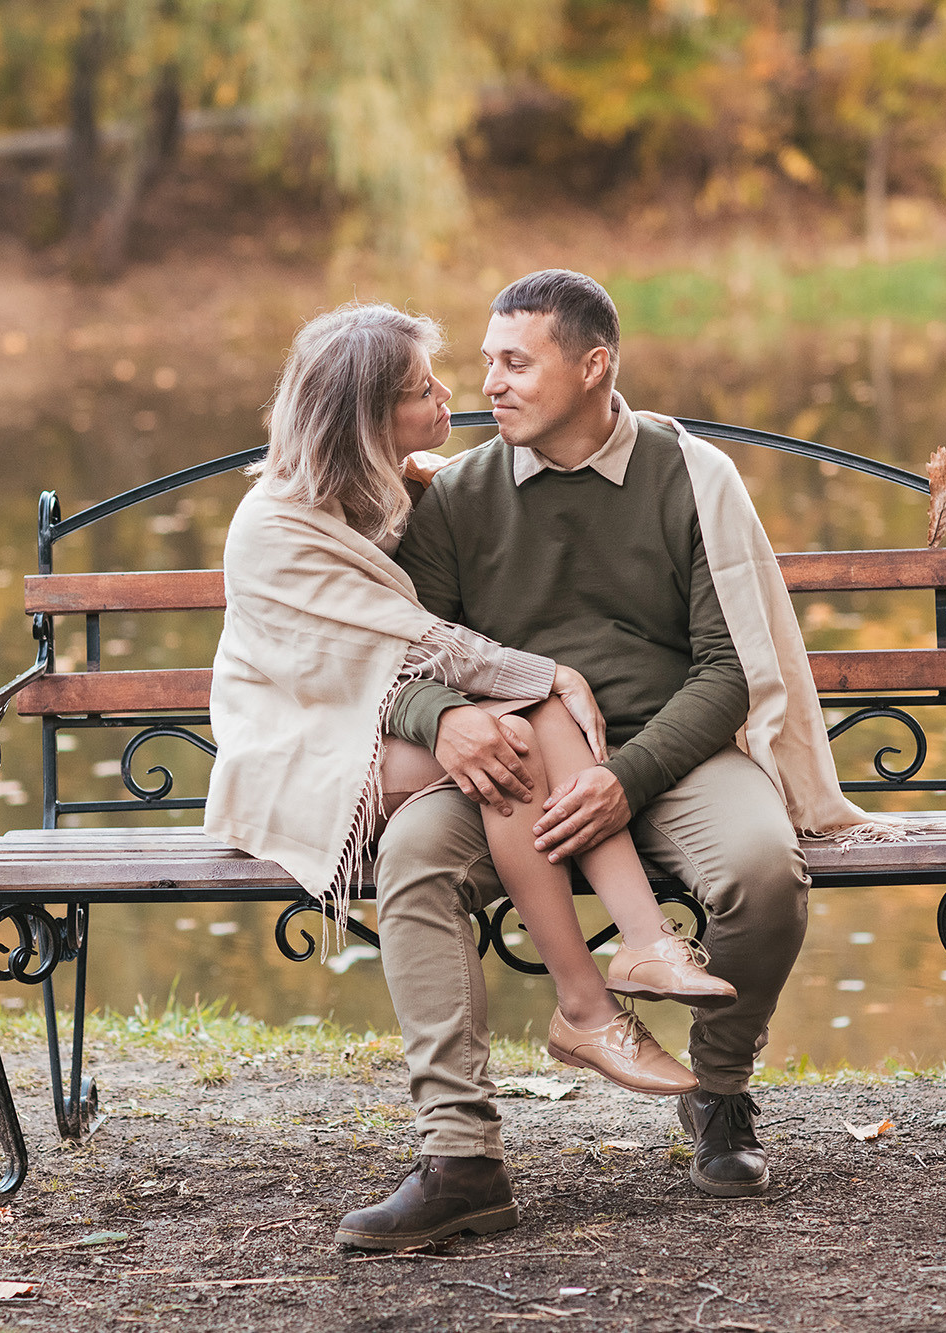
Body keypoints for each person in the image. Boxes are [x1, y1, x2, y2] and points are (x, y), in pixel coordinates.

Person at [336, 269, 889, 1251]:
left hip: (669, 755)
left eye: (514, 361)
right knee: (413, 858)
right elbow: (393, 661)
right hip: (512, 771)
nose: (489, 384)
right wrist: (446, 721)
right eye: (483, 362)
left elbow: (728, 674)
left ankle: (717, 1092)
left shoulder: (691, 476)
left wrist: (621, 781)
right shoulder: (457, 495)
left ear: (593, 367)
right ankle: (458, 1158)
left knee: (764, 872)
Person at [204, 303, 738, 1119]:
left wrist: (538, 682)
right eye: (423, 389)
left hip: (372, 727)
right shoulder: (278, 530)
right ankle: (586, 1007)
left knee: (522, 726)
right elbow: (415, 645)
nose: (455, 394)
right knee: (514, 742)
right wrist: (552, 672)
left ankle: (645, 945)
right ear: (366, 419)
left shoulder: (383, 489)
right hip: (300, 746)